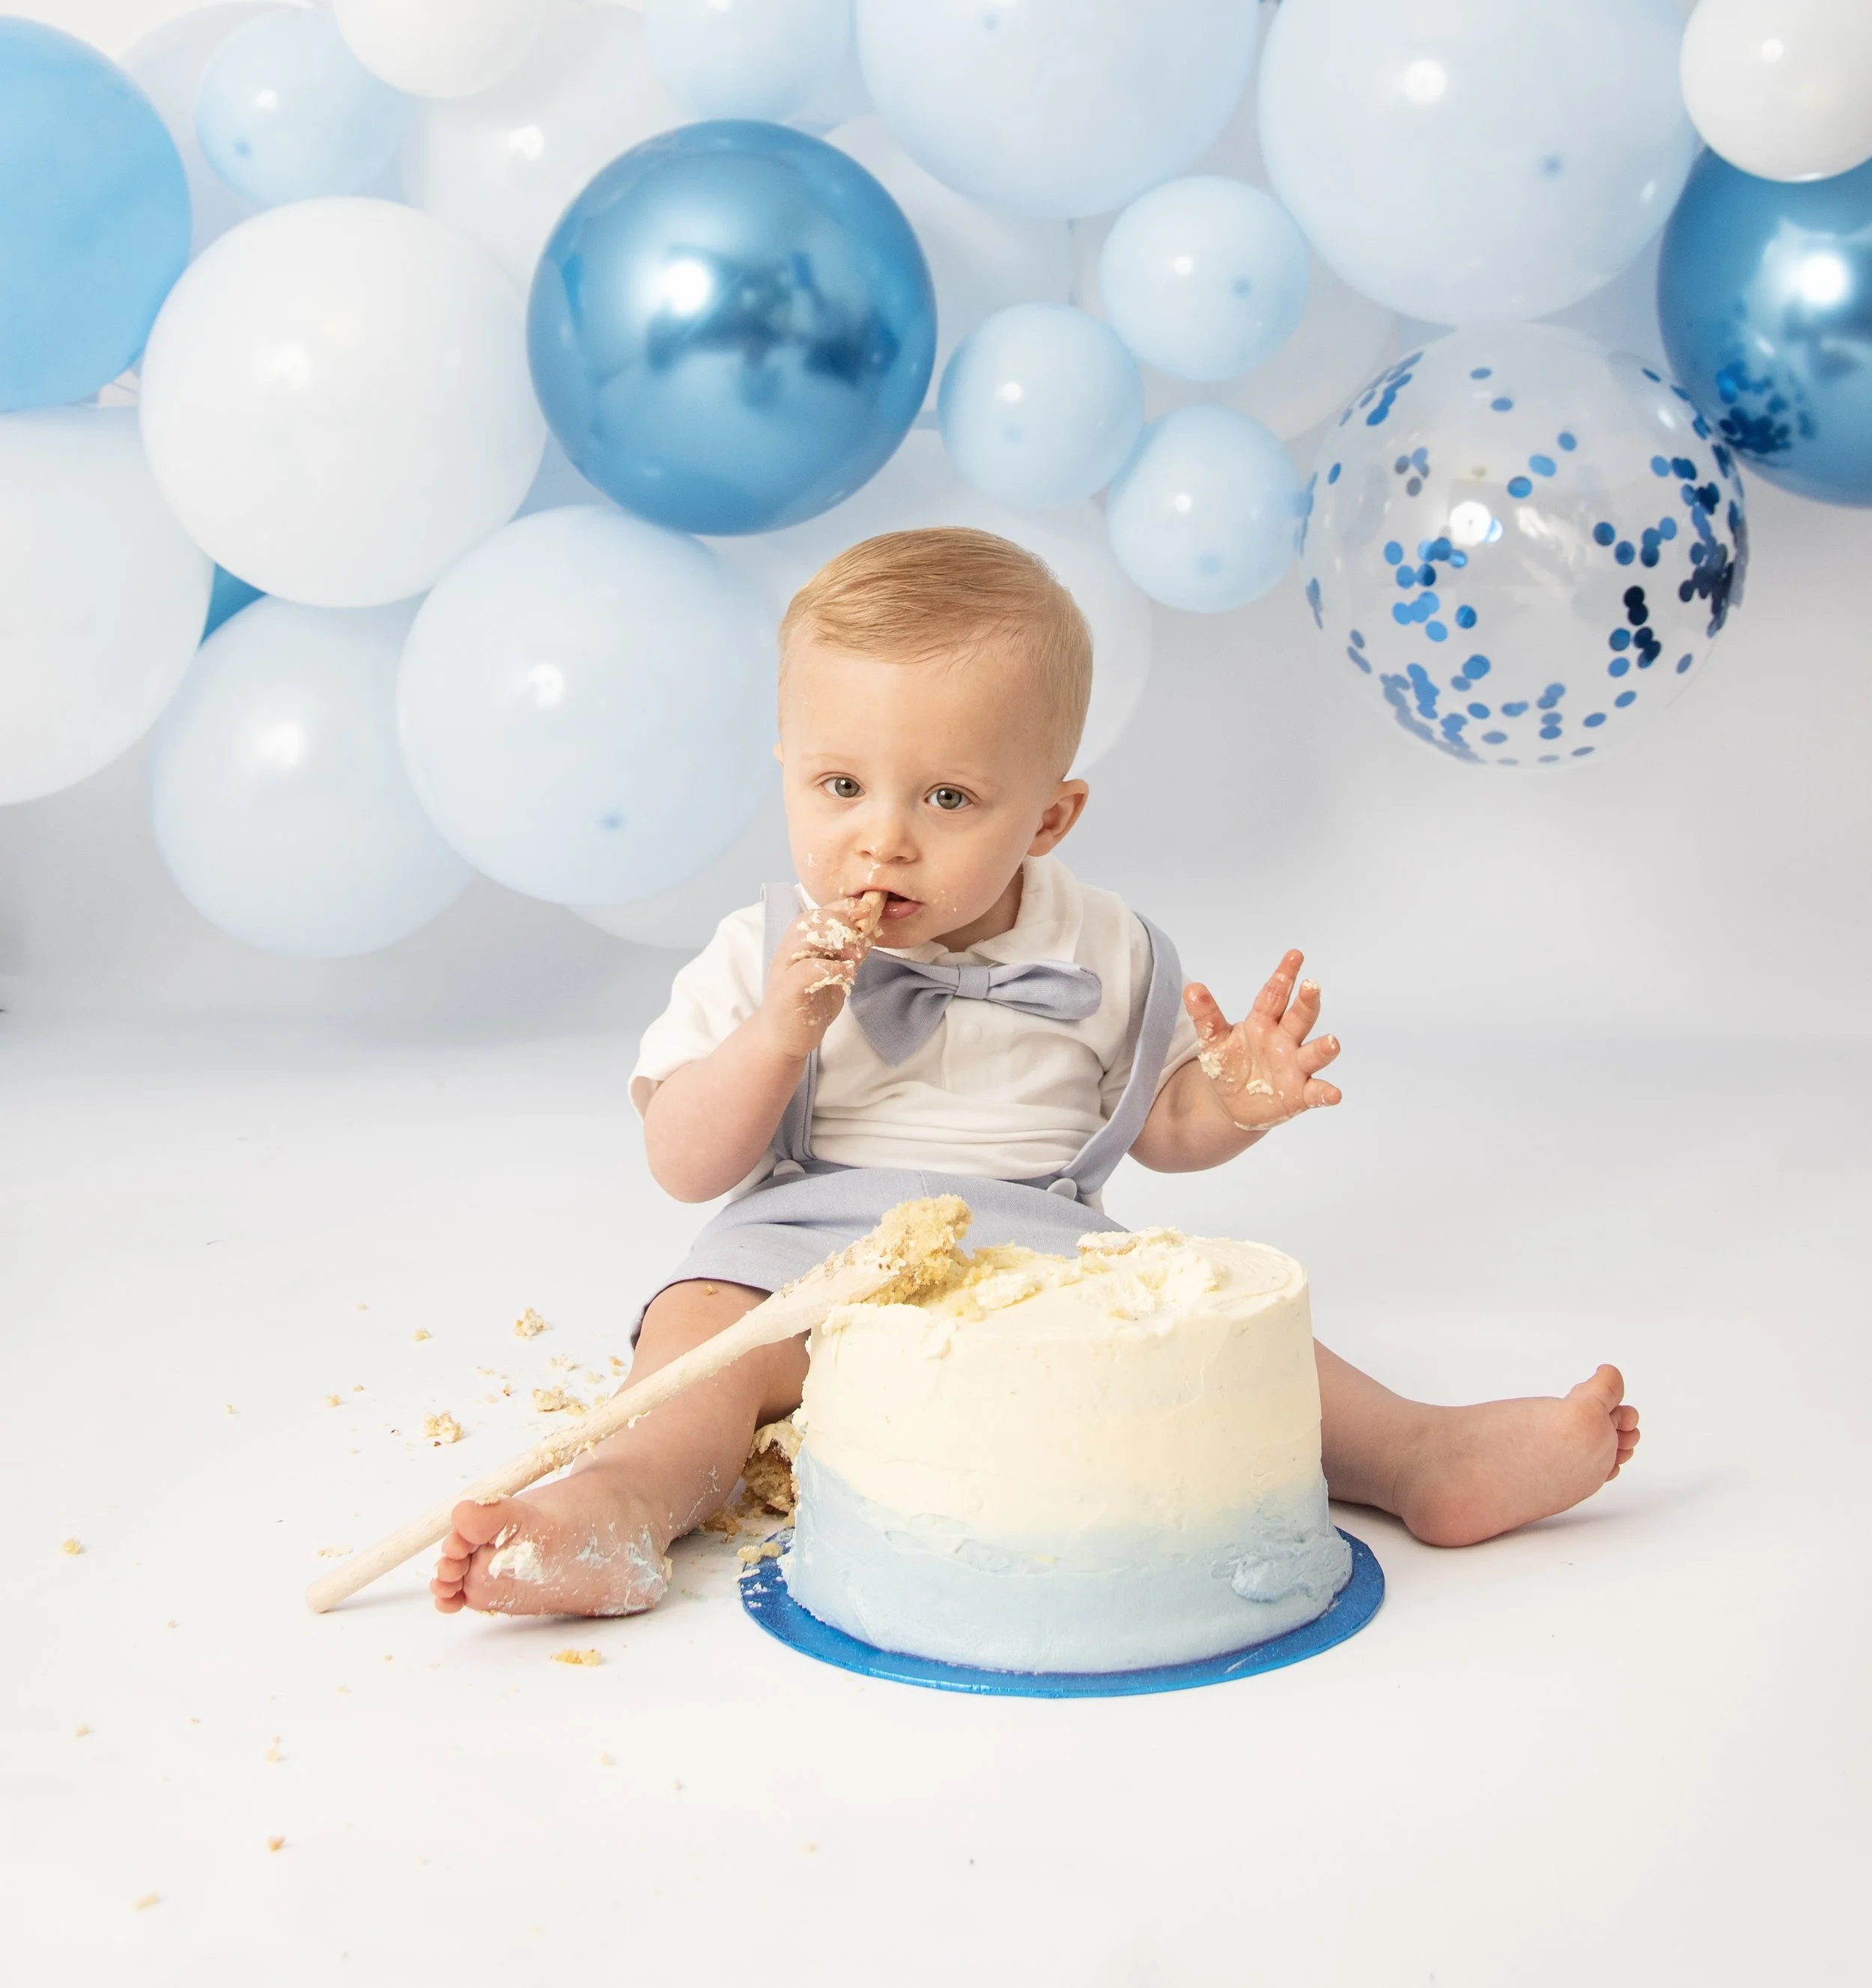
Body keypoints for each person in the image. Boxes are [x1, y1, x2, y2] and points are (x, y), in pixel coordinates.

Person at [432, 528, 1638, 1621]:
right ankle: (624, 1508)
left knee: (1224, 1340)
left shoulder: (1107, 944)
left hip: (1038, 1257)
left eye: (947, 796)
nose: (882, 835)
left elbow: (1159, 1127)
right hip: (792, 1252)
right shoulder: (761, 950)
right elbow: (682, 1159)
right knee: (699, 1349)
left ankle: (1419, 1453)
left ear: (1050, 819)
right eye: (840, 786)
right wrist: (775, 1036)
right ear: (788, 766)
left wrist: (1233, 1102)